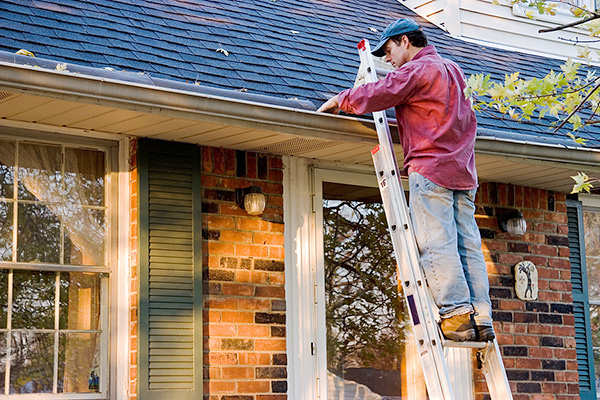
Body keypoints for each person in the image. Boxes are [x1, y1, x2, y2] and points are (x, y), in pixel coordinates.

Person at [317, 18, 494, 342]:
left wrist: (343, 99)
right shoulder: (453, 70)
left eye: (388, 50)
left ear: (404, 42)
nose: (386, 60)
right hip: (463, 172)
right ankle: (480, 316)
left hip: (431, 170)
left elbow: (384, 91)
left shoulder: (418, 70)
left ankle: (455, 316)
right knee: (467, 245)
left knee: (436, 243)